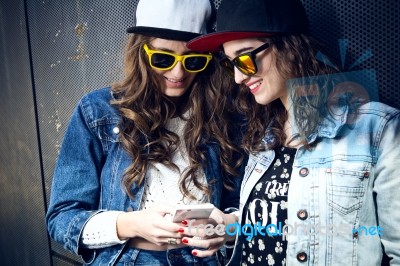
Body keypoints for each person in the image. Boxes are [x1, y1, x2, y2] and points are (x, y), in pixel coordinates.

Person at [187, 0, 400, 265]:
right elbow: (275, 221)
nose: (238, 78)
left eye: (245, 59)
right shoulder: (264, 134)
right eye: (231, 64)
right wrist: (227, 225)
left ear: (290, 47)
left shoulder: (377, 131)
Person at [46, 0, 244, 265]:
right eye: (163, 58)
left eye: (193, 61)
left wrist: (224, 231)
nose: (178, 73)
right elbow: (62, 218)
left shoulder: (223, 115)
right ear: (141, 52)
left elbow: (245, 214)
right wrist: (132, 224)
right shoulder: (98, 111)